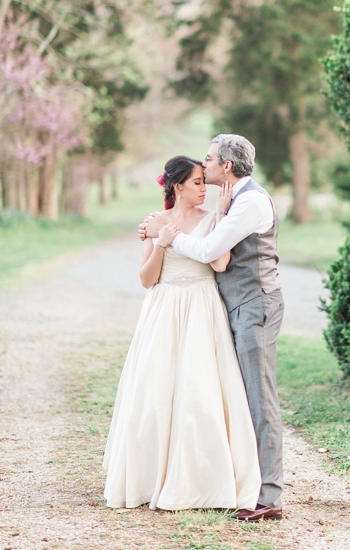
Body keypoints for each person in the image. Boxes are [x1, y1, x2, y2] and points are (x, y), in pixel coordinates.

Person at [141, 134, 285, 523]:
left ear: (226, 166)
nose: (202, 166)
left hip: (255, 305)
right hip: (235, 306)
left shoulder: (251, 201)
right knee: (237, 397)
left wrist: (166, 236)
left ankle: (268, 495)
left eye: (208, 159)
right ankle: (243, 481)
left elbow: (209, 254)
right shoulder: (234, 200)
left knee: (259, 397)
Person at [104, 155, 261, 511]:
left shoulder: (211, 221)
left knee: (200, 394)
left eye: (205, 182)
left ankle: (200, 482)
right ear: (177, 187)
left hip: (202, 309)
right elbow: (147, 280)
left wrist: (221, 219)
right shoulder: (156, 222)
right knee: (154, 394)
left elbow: (220, 263)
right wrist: (160, 242)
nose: (205, 189)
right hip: (163, 309)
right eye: (197, 183)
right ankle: (151, 478)